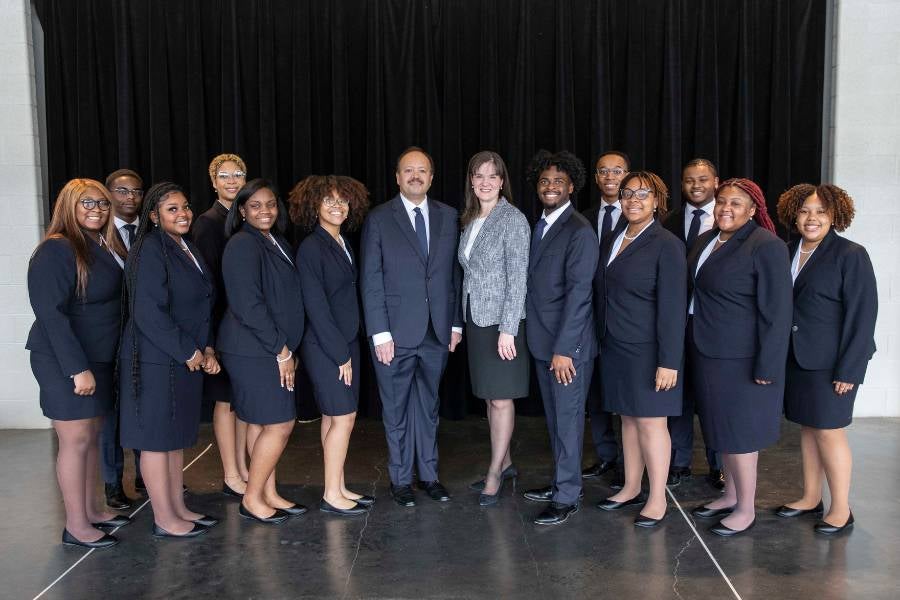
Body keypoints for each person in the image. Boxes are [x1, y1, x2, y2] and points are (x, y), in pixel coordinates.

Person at [687, 178, 792, 536]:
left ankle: (746, 507)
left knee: (742, 434)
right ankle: (730, 494)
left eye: (735, 203)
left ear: (752, 210)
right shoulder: (705, 241)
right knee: (722, 430)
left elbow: (778, 312)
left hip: (744, 358)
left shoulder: (766, 246)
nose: (725, 208)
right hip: (709, 352)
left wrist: (768, 364)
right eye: (721, 202)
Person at [27, 179, 128, 548]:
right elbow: (51, 314)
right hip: (65, 360)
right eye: (86, 202)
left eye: (103, 203)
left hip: (98, 358)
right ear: (67, 205)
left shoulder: (99, 244)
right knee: (75, 440)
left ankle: (94, 510)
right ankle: (75, 525)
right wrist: (76, 368)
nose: (96, 209)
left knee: (90, 438)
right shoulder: (57, 249)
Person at [361, 146, 463, 507]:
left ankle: (430, 476)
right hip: (394, 334)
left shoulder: (450, 216)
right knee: (396, 410)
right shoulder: (379, 218)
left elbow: (455, 274)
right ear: (397, 177)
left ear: (431, 177)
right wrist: (380, 332)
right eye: (408, 170)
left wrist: (455, 323)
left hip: (437, 331)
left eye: (422, 170)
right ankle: (401, 479)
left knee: (428, 407)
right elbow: (370, 278)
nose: (415, 176)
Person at [774, 183, 877, 535]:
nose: (812, 218)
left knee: (829, 432)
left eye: (820, 211)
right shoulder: (786, 250)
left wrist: (850, 368)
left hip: (832, 364)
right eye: (804, 211)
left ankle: (841, 509)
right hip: (796, 359)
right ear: (794, 214)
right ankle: (810, 496)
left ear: (835, 215)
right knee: (808, 428)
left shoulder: (850, 254)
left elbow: (862, 316)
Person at [119, 182, 220, 538]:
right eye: (172, 209)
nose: (183, 214)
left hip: (183, 357)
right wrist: (189, 350)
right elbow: (148, 312)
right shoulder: (149, 249)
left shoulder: (185, 246)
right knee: (156, 441)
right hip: (155, 360)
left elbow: (201, 305)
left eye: (185, 206)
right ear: (154, 217)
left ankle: (177, 507)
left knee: (173, 440)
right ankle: (164, 518)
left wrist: (205, 347)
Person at [593, 171, 687, 528]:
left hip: (650, 351)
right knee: (628, 419)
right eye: (628, 193)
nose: (634, 200)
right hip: (616, 346)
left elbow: (673, 308)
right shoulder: (615, 238)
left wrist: (668, 361)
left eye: (643, 194)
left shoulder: (667, 244)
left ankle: (658, 497)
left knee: (651, 422)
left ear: (657, 201)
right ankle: (631, 486)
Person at [218, 178, 306, 524]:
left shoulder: (276, 240)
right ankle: (252, 498)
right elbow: (247, 305)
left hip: (267, 348)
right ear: (241, 211)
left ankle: (268, 492)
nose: (264, 210)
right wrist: (281, 350)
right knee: (281, 423)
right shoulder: (242, 245)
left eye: (270, 204)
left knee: (259, 423)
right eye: (255, 206)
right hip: (253, 350)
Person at [521, 150, 599, 525]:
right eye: (544, 181)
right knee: (555, 421)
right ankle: (561, 481)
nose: (550, 187)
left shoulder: (579, 230)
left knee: (567, 421)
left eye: (558, 182)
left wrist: (565, 349)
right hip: (542, 341)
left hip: (566, 348)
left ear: (572, 187)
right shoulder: (540, 225)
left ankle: (567, 495)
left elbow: (580, 293)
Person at [290, 174, 374, 517]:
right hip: (327, 344)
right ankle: (330, 494)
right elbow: (316, 306)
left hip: (345, 339)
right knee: (344, 416)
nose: (337, 206)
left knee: (334, 416)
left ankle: (336, 485)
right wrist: (340, 353)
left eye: (342, 200)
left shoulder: (342, 241)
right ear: (314, 206)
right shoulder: (312, 247)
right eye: (329, 201)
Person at [457, 151, 530, 506]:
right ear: (471, 180)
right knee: (489, 396)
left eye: (492, 176)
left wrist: (508, 328)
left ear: (502, 181)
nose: (485, 182)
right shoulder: (471, 218)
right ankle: (507, 462)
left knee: (501, 399)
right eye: (478, 175)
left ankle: (494, 472)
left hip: (502, 324)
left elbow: (518, 280)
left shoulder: (512, 220)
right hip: (476, 320)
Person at [662, 158, 723, 489]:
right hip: (677, 321)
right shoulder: (668, 222)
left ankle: (719, 464)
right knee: (679, 395)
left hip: (715, 324)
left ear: (716, 181)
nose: (696, 185)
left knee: (714, 396)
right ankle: (679, 461)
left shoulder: (730, 219)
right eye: (689, 180)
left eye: (703, 179)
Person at [192, 153, 251, 497]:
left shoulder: (246, 219)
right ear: (213, 182)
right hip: (222, 326)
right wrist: (210, 338)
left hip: (245, 328)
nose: (232, 181)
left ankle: (243, 468)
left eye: (238, 174)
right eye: (224, 176)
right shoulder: (208, 223)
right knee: (225, 400)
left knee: (240, 400)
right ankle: (230, 473)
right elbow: (207, 284)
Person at [581, 151, 629, 486]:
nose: (609, 177)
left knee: (628, 394)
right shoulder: (583, 218)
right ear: (596, 178)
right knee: (595, 393)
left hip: (627, 321)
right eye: (603, 171)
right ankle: (606, 456)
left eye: (616, 171)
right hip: (589, 317)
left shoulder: (641, 218)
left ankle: (631, 463)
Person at [100, 168, 144, 509]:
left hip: (143, 337)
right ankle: (113, 483)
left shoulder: (151, 228)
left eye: (136, 192)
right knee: (112, 414)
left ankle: (147, 475)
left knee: (145, 407)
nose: (130, 197)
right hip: (109, 336)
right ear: (110, 194)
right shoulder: (96, 233)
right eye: (122, 191)